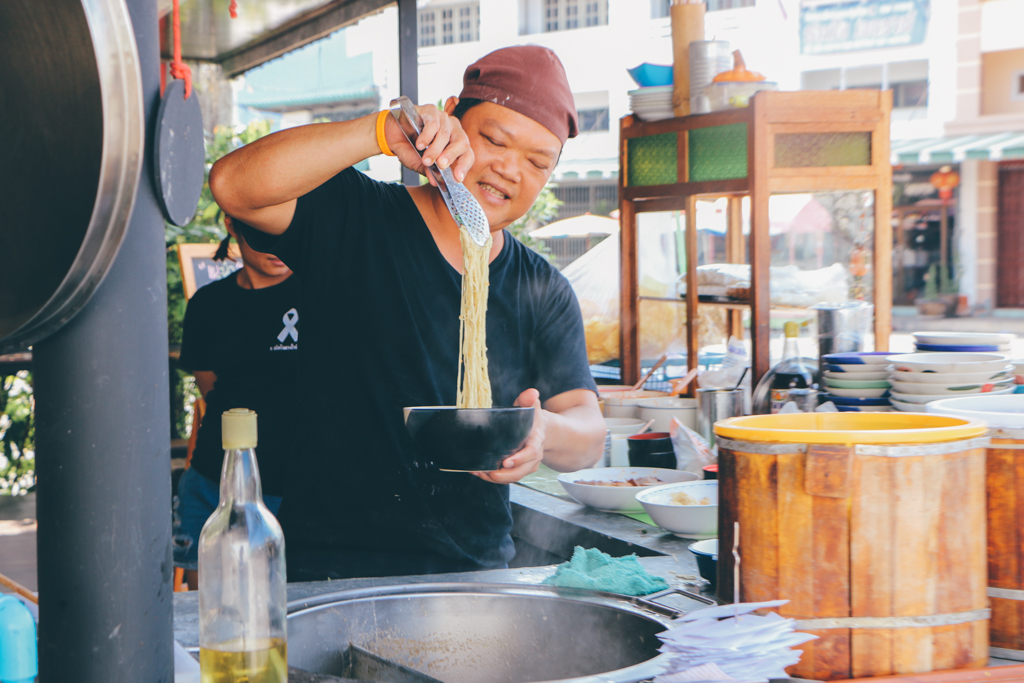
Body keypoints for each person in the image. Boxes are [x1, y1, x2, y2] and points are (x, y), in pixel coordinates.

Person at [209, 46, 606, 580]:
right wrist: (380, 132)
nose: (510, 170)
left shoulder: (542, 286)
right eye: (493, 140)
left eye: (538, 163)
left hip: (475, 575)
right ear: (451, 121)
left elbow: (588, 432)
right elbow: (233, 186)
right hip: (331, 571)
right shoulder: (359, 218)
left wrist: (542, 431)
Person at [173, 216, 300, 588]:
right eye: (264, 235)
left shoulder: (320, 293)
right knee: (211, 609)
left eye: (288, 235)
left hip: (295, 488)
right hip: (216, 480)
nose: (279, 248)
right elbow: (211, 390)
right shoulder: (208, 304)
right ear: (233, 225)